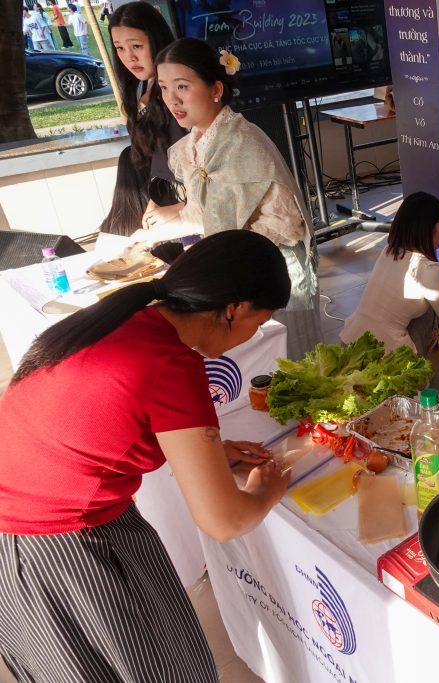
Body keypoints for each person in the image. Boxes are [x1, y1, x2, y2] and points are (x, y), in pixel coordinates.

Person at [0, 230, 292, 682]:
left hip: (23, 536)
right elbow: (225, 521)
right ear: (235, 308)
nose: (255, 334)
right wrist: (266, 490)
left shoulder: (122, 318)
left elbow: (101, 420)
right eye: (261, 320)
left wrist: (212, 453)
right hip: (58, 547)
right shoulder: (172, 362)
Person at [131, 37, 322, 359]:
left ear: (216, 89)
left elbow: (287, 224)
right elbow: (203, 213)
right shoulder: (193, 146)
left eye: (182, 86)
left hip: (273, 272)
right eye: (163, 88)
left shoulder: (244, 142)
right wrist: (151, 236)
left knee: (289, 359)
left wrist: (226, 255)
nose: (172, 99)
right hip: (237, 271)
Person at [341, 192, 439, 354]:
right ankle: (422, 361)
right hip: (387, 356)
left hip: (352, 343)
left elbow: (438, 275)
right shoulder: (428, 271)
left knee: (432, 295)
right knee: (432, 309)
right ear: (427, 229)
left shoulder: (390, 251)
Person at [98, 2, 183, 237]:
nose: (129, 57)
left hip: (174, 201)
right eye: (120, 48)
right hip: (153, 199)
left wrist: (175, 208)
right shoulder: (143, 86)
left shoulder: (176, 92)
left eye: (136, 46)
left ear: (156, 40)